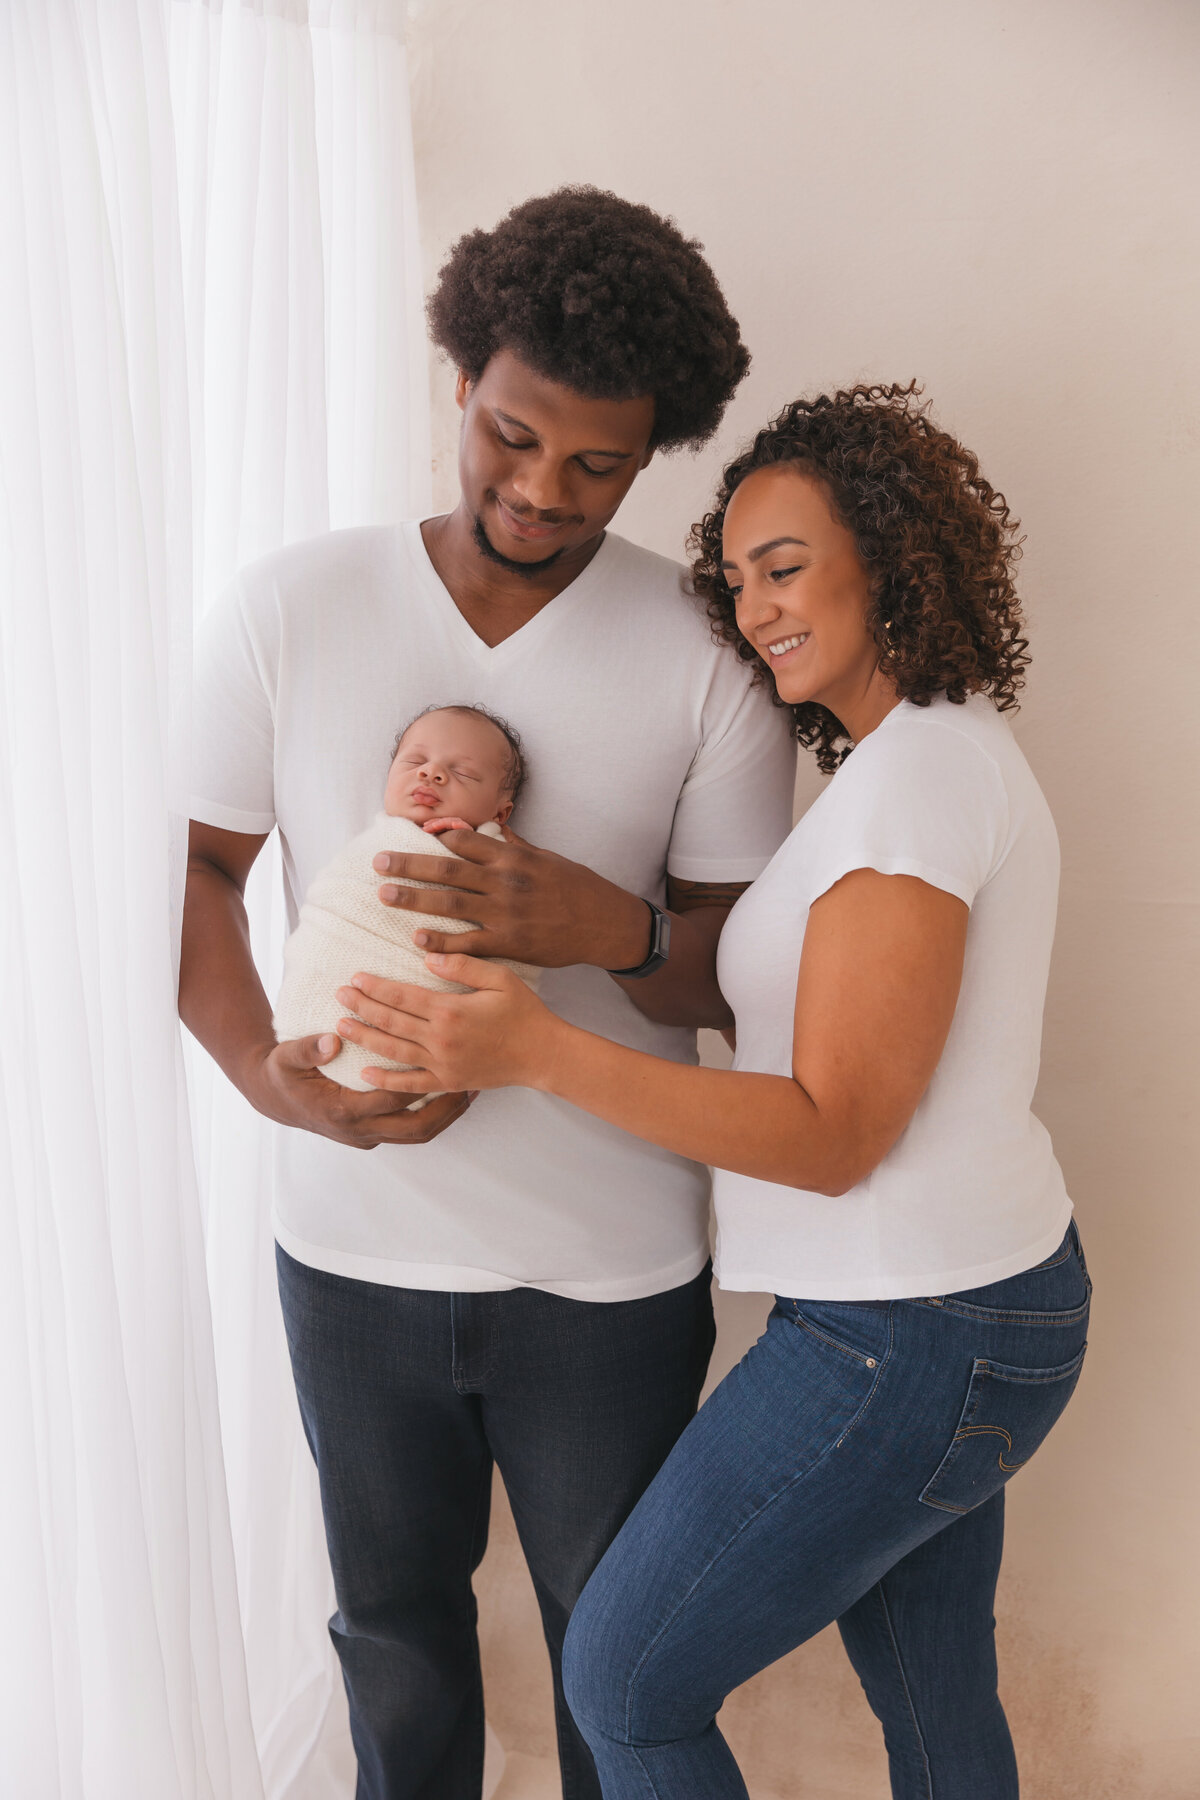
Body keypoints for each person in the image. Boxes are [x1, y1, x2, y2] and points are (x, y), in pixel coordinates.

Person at [339, 383, 1090, 1800]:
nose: (755, 608)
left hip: (909, 1335)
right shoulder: (913, 759)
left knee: (624, 1679)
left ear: (890, 551)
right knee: (933, 1686)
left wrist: (534, 1049)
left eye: (787, 567)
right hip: (965, 1305)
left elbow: (833, 1134)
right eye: (736, 577)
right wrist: (609, 930)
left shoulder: (920, 781)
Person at [180, 186, 796, 1800]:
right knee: (389, 1638)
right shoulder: (293, 604)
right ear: (461, 381)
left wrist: (601, 922)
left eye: (598, 464)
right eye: (513, 438)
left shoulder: (704, 649)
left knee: (619, 1658)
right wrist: (264, 1073)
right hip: (349, 1247)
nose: (541, 491)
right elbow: (191, 871)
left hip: (609, 1272)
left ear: (655, 448)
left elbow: (737, 971)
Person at [272, 704, 540, 1098]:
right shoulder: (374, 844)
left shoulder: (494, 863)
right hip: (315, 1022)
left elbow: (515, 939)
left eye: (462, 772)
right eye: (415, 760)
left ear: (501, 813)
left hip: (431, 1041)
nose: (431, 773)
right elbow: (331, 911)